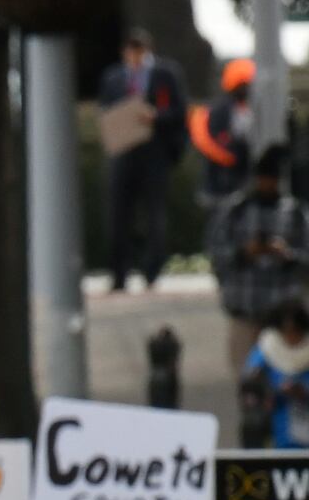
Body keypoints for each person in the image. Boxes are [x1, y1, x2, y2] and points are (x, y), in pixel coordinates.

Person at [98, 26, 191, 294]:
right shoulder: (114, 77)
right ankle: (119, 273)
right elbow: (105, 110)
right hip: (123, 151)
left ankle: (152, 269)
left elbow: (179, 110)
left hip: (154, 152)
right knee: (118, 215)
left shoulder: (165, 74)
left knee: (154, 214)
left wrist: (156, 117)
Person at [213, 145, 309, 382]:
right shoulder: (236, 210)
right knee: (246, 378)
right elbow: (217, 254)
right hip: (245, 309)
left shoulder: (294, 212)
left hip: (281, 318)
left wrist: (287, 256)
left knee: (286, 378)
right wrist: (244, 253)